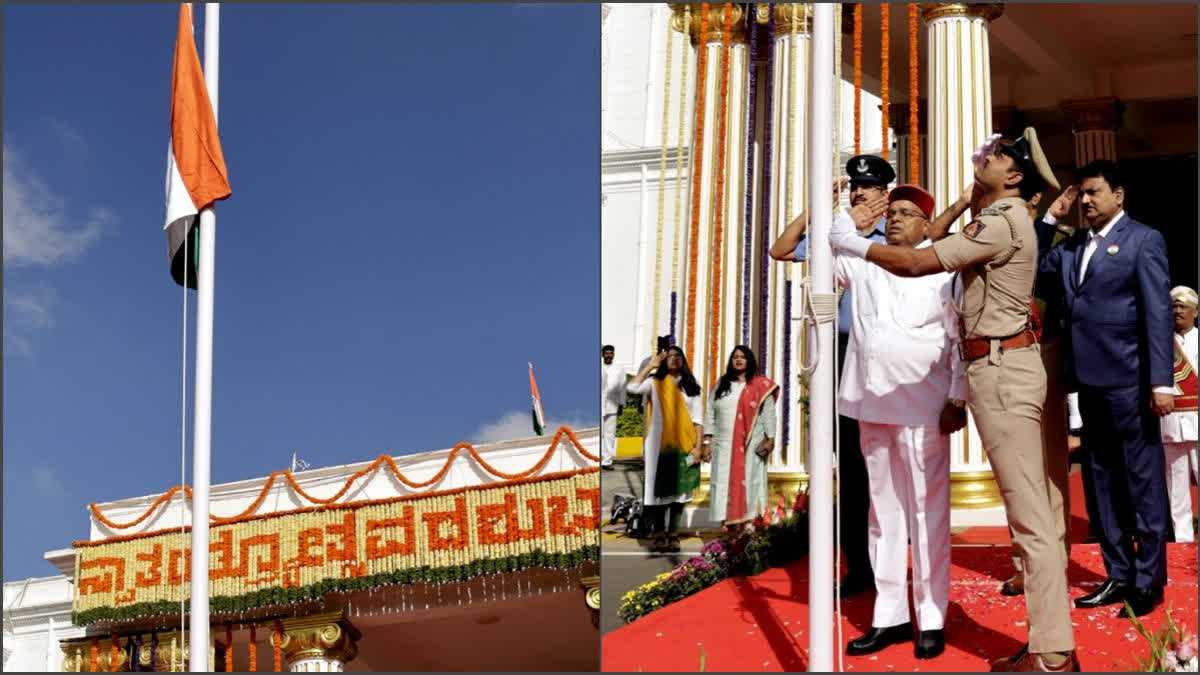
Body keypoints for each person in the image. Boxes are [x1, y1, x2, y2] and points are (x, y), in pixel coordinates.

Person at [829, 128, 1078, 671]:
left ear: (1013, 177)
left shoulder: (1001, 221)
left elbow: (919, 262)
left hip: (1003, 368)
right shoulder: (999, 218)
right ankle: (1051, 645)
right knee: (1030, 510)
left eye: (996, 156)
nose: (982, 157)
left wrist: (850, 239)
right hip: (997, 365)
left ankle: (1054, 653)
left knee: (1030, 515)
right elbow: (930, 242)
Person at [827, 184, 965, 660]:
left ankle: (931, 617)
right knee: (882, 518)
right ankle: (890, 616)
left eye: (909, 213)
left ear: (929, 225)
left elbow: (958, 338)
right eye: (894, 212)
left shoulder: (940, 269)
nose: (898, 219)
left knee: (927, 517)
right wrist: (841, 209)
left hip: (924, 409)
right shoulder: (866, 264)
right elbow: (831, 243)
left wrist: (958, 397)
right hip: (872, 405)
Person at [1034, 159, 1174, 620]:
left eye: (1094, 192)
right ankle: (1116, 572)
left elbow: (1156, 313)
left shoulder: (1143, 239)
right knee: (1100, 480)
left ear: (1119, 194)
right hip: (1086, 380)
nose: (1087, 201)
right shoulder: (1072, 245)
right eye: (1083, 194)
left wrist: (1160, 381)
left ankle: (1148, 579)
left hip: (1131, 381)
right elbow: (1034, 263)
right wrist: (1051, 218)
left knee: (1141, 480)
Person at [931, 186, 1080, 597]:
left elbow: (1042, 270)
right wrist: (961, 203)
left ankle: (1054, 559)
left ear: (1031, 200)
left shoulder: (1053, 237)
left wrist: (1048, 223)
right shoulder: (981, 236)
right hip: (993, 359)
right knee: (1015, 471)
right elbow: (933, 241)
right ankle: (1024, 561)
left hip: (1039, 350)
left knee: (1048, 467)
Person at [769, 153, 892, 598]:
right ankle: (859, 567)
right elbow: (781, 249)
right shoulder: (834, 237)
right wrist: (817, 210)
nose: (858, 193)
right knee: (853, 466)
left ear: (884, 193)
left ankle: (893, 564)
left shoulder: (895, 234)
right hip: (842, 354)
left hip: (886, 353)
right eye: (854, 187)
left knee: (891, 464)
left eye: (868, 187)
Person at [627, 345, 704, 553]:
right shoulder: (654, 382)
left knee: (680, 491)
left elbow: (698, 421)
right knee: (660, 490)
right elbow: (632, 388)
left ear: (683, 360)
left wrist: (698, 447)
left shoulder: (691, 386)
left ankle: (673, 533)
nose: (674, 359)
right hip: (657, 443)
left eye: (678, 355)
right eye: (669, 356)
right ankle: (659, 532)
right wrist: (650, 366)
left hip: (685, 443)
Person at [700, 346, 778, 530]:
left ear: (749, 360)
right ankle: (725, 519)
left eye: (742, 357)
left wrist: (770, 438)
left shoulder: (760, 385)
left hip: (750, 441)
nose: (739, 360)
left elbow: (769, 414)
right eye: (735, 357)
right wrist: (707, 440)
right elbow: (710, 412)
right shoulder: (722, 384)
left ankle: (750, 520)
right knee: (723, 479)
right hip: (723, 442)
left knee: (750, 478)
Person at [1161, 286, 1198, 543]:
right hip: (1171, 421)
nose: (1177, 311)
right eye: (1173, 306)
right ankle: (1183, 539)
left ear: (1195, 312)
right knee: (1176, 486)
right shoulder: (1161, 343)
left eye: (1183, 306)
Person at [601, 345, 624, 471]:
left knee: (610, 434)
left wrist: (622, 404)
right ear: (602, 355)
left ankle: (607, 461)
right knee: (600, 433)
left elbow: (622, 387)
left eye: (611, 353)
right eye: (606, 353)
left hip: (613, 405)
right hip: (600, 405)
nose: (609, 355)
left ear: (614, 354)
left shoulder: (619, 369)